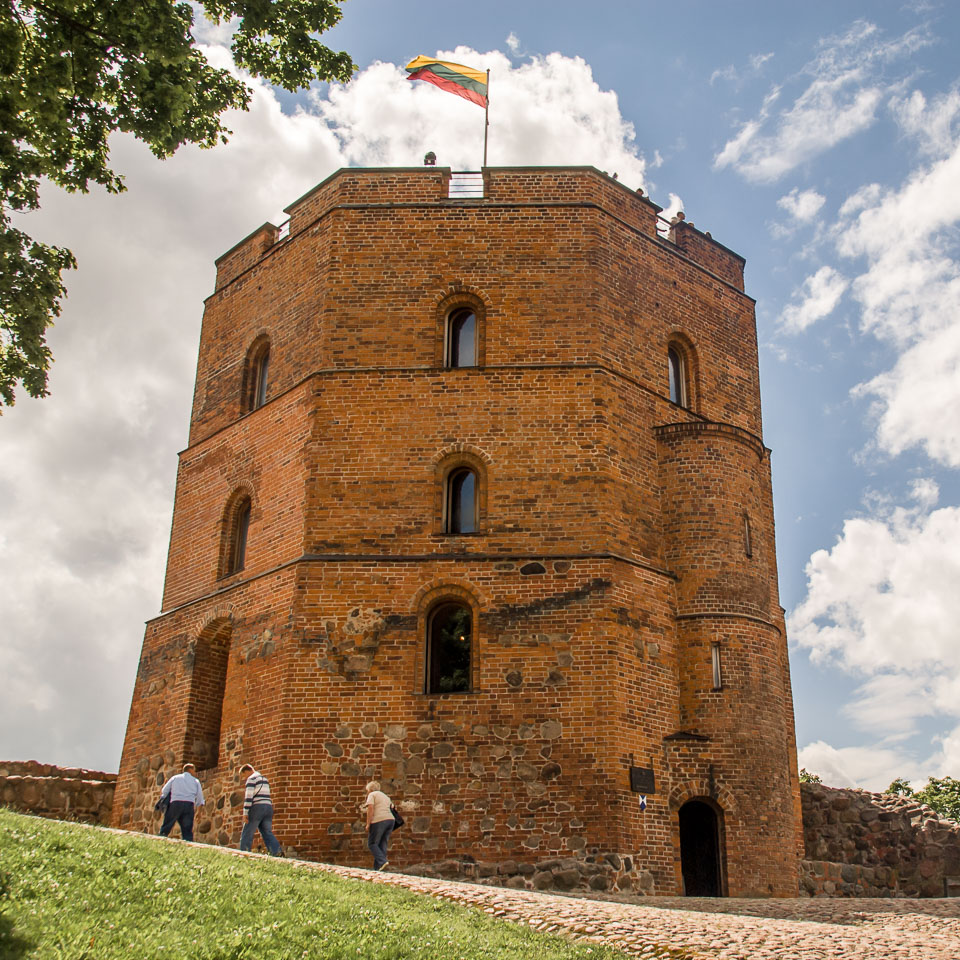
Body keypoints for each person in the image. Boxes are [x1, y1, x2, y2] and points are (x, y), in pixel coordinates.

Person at [238, 763, 282, 856]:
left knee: (247, 832)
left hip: (257, 807)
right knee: (267, 832)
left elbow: (248, 797)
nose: (244, 778)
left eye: (244, 775)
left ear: (247, 771)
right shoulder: (265, 779)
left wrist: (245, 813)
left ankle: (244, 853)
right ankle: (277, 851)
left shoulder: (251, 779)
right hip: (268, 807)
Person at [158, 763, 205, 841]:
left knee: (167, 824)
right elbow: (200, 798)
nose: (195, 772)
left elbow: (164, 791)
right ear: (190, 770)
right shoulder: (196, 781)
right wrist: (199, 812)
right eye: (194, 770)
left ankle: (161, 838)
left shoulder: (175, 778)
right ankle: (188, 845)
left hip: (175, 803)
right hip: (189, 805)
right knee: (187, 830)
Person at [364, 780, 394, 871]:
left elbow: (370, 808)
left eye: (367, 790)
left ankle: (382, 861)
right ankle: (379, 868)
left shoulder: (372, 795)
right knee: (382, 844)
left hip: (379, 820)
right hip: (390, 820)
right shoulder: (385, 796)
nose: (367, 792)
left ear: (370, 789)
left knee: (372, 843)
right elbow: (392, 807)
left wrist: (368, 823)